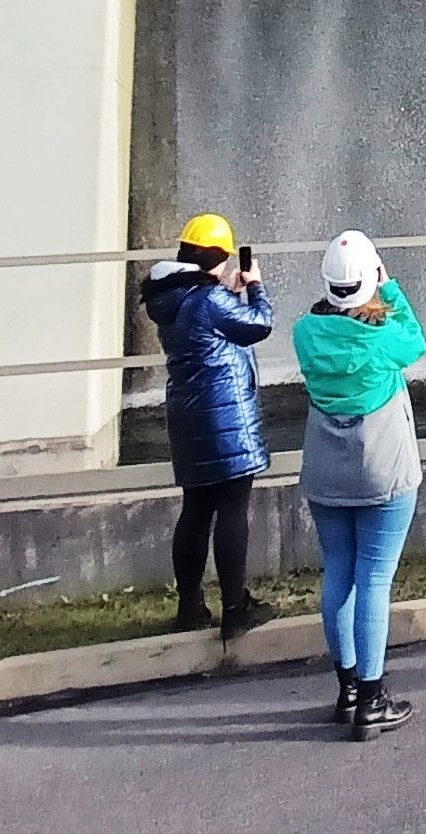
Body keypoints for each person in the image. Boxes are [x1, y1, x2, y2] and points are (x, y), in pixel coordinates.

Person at [293, 229, 426, 742]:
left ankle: (348, 689)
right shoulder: (383, 337)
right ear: (371, 278)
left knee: (340, 574)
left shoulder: (305, 333)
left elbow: (327, 317)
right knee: (374, 580)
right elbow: (416, 340)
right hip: (384, 469)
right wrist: (389, 289)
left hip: (326, 469)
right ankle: (372, 702)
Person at [141, 212, 275, 642]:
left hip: (188, 418)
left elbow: (210, 326)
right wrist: (254, 286)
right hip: (224, 419)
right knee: (233, 510)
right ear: (217, 255)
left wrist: (226, 294)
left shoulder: (173, 298)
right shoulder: (207, 299)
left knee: (196, 510)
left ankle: (190, 607)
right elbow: (259, 325)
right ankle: (235, 610)